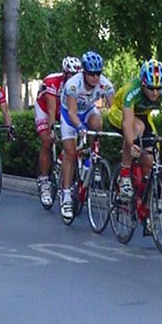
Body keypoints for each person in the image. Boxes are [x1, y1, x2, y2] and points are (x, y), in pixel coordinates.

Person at [106, 59, 162, 214]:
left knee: (150, 157)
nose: (155, 93)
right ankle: (124, 175)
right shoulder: (132, 90)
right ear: (143, 84)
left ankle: (143, 206)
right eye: (151, 88)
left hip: (143, 116)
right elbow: (127, 123)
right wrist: (131, 144)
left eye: (158, 88)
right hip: (120, 112)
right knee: (136, 128)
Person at [58, 51, 115, 222]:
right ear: (84, 72)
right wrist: (80, 128)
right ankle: (66, 197)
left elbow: (115, 110)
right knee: (70, 153)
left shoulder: (105, 84)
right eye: (91, 73)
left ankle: (92, 160)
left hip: (88, 110)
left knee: (97, 124)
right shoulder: (73, 84)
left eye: (98, 73)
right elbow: (72, 113)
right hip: (70, 114)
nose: (95, 77)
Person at [34, 56, 82, 208]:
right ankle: (44, 181)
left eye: (76, 75)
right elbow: (51, 110)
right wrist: (51, 129)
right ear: (65, 73)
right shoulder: (52, 82)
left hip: (64, 109)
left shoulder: (81, 84)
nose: (74, 78)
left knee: (72, 144)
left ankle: (63, 165)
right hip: (44, 108)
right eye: (71, 75)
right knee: (47, 141)